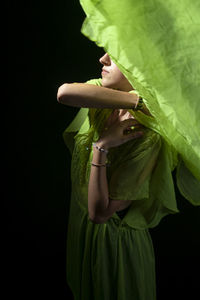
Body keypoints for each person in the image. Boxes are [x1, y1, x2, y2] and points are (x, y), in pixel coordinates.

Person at [57, 52, 162, 299]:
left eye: (114, 55)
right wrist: (137, 102)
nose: (102, 59)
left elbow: (100, 213)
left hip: (114, 247)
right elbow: (63, 92)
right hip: (82, 233)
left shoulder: (146, 135)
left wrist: (101, 147)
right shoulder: (101, 98)